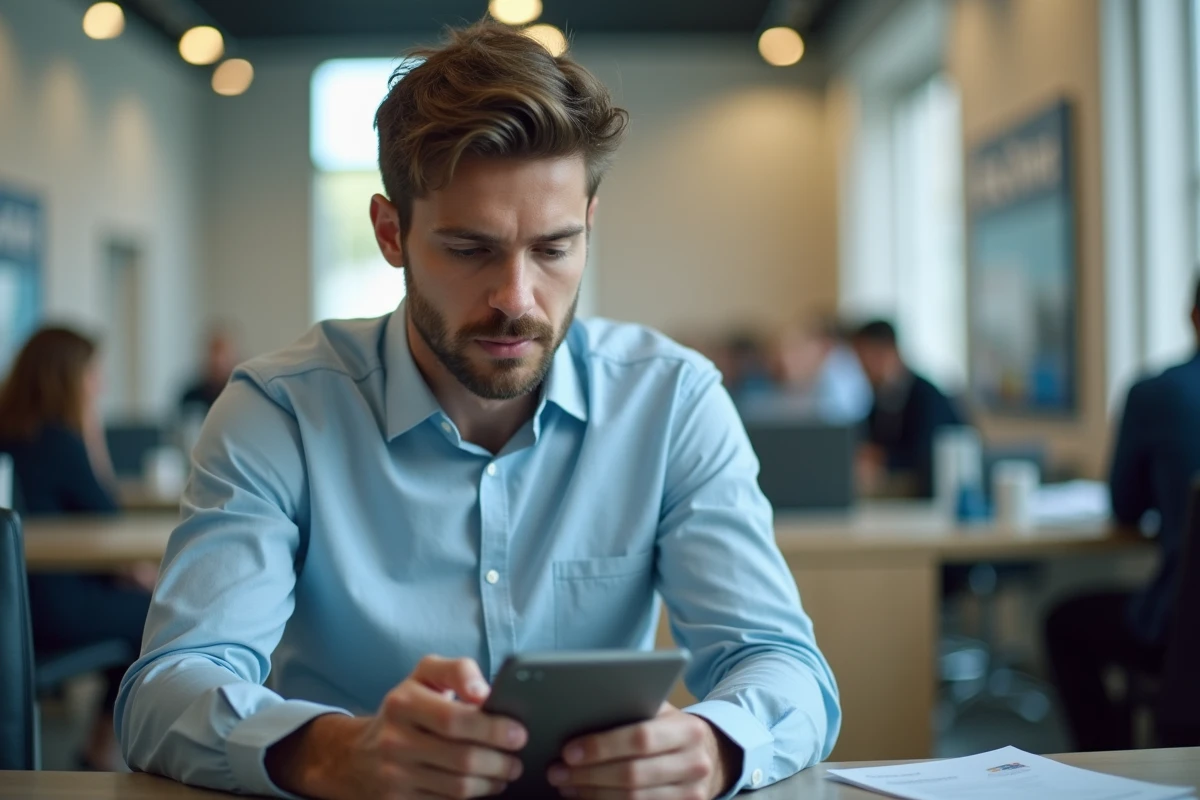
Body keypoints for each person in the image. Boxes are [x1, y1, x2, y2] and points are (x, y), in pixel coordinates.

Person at [116, 21, 840, 800]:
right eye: (470, 250)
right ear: (391, 233)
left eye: (554, 249)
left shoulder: (672, 402)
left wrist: (713, 747)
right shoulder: (279, 412)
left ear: (589, 226)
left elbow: (783, 665)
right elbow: (167, 690)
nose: (516, 300)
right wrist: (331, 753)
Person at [1045, 279, 1200, 751]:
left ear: (1192, 314)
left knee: (1063, 624)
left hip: (1184, 628)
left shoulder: (1158, 393)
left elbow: (1126, 507)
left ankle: (1108, 765)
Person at [0, 327, 153, 770]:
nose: (99, 384)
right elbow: (107, 515)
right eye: (92, 374)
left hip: (15, 605)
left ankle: (98, 748)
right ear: (67, 377)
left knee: (133, 602)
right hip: (49, 609)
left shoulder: (10, 433)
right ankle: (99, 751)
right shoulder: (60, 440)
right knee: (155, 614)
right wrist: (90, 430)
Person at [851, 320, 963, 498]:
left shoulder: (926, 396)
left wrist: (882, 459)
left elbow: (924, 454)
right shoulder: (882, 397)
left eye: (864, 359)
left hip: (933, 490)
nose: (861, 369)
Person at [740, 318, 871, 425]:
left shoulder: (840, 378)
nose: (784, 359)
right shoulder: (756, 385)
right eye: (779, 351)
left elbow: (843, 410)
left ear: (823, 348)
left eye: (795, 350)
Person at [178, 327, 238, 417]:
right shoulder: (191, 396)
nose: (218, 360)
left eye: (223, 353)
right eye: (214, 352)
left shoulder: (239, 396)